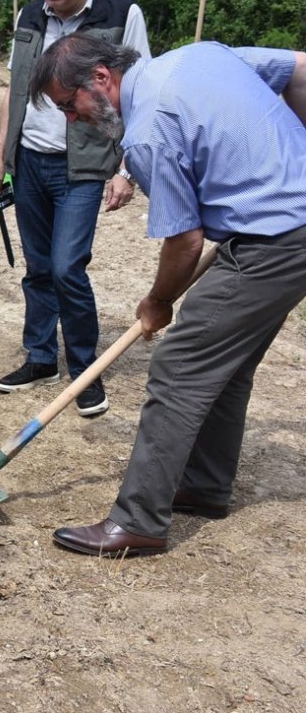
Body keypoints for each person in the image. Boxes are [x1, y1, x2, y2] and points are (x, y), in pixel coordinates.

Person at [31, 34, 306, 557]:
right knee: (225, 364)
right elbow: (299, 68)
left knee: (180, 363)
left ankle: (138, 521)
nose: (71, 120)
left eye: (69, 104)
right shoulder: (199, 55)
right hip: (287, 228)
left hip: (273, 239)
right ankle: (204, 486)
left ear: (101, 79)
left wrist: (158, 301)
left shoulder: (147, 134)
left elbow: (185, 241)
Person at [0, 0, 150, 417]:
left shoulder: (121, 15)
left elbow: (140, 93)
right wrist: (0, 156)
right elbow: (15, 90)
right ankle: (41, 358)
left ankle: (84, 371)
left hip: (83, 165)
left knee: (66, 268)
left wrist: (127, 169)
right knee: (38, 267)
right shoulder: (30, 15)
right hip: (29, 160)